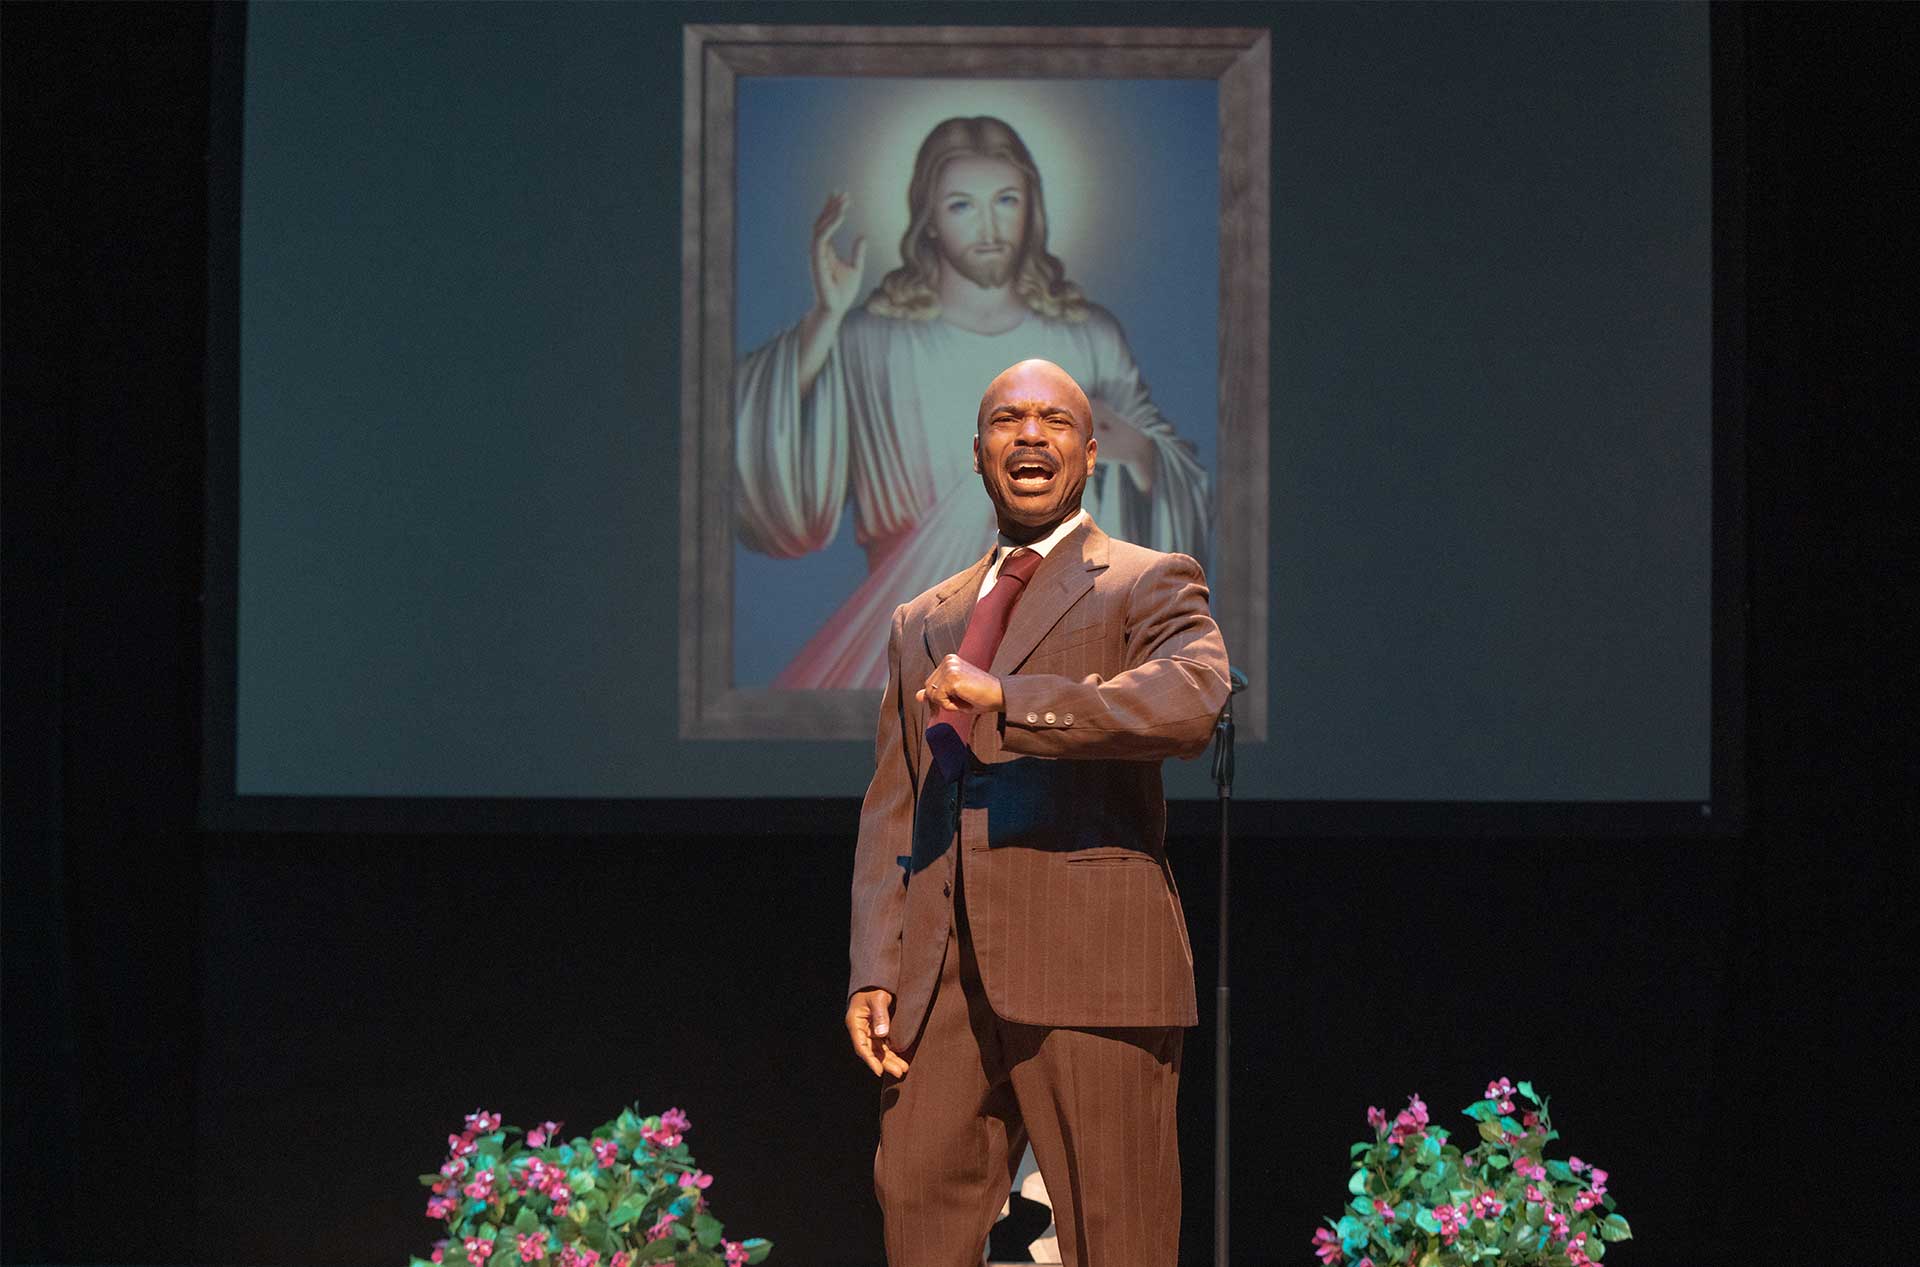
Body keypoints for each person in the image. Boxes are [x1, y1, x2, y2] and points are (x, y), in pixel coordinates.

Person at [843, 358, 1230, 1267]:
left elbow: (1190, 698)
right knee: (916, 1210)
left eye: (1054, 421)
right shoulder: (921, 618)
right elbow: (895, 804)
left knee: (1117, 1235)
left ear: (1089, 453)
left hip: (1092, 962)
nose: (1029, 435)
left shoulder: (1143, 580)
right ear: (978, 453)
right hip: (941, 983)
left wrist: (1012, 700)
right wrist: (876, 967)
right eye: (1006, 420)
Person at [735, 115, 1213, 689]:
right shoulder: (872, 338)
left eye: (1006, 200)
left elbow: (1176, 486)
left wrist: (1136, 450)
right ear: (929, 221)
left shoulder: (1088, 335)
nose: (989, 226)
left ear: (1032, 208)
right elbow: (770, 483)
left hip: (1068, 631)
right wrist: (825, 320)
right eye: (962, 205)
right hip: (912, 630)